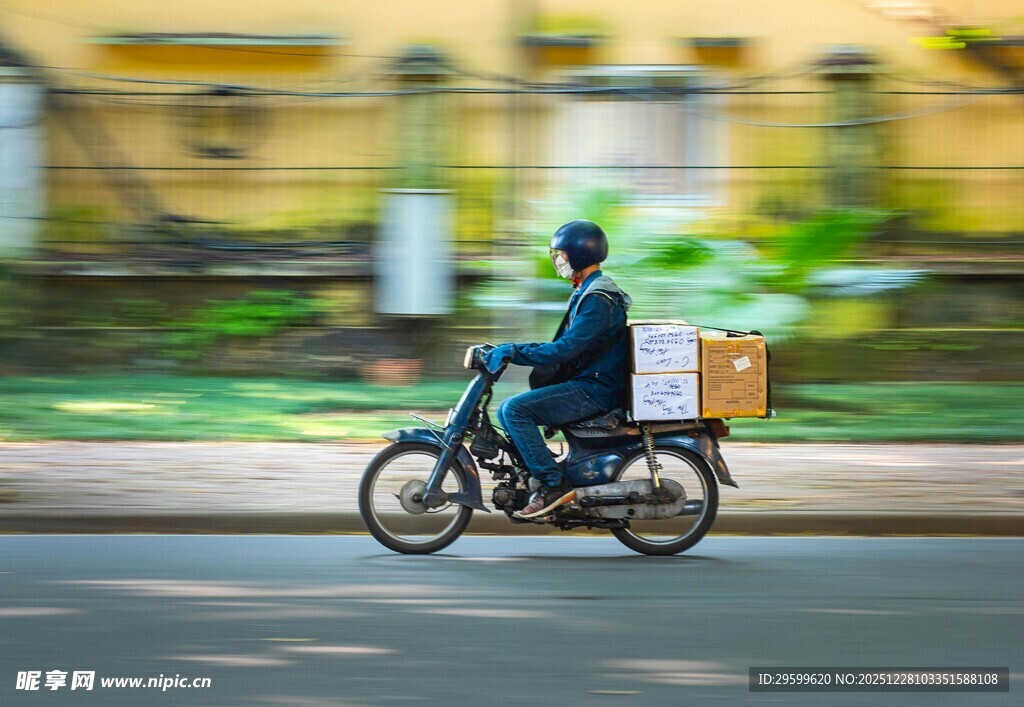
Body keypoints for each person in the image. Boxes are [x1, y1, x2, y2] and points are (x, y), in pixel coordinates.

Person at [482, 219, 632, 519]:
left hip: (596, 389)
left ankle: (553, 484)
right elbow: (566, 345)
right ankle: (541, 469)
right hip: (591, 381)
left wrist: (514, 351)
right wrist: (516, 349)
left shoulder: (598, 300)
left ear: (580, 254)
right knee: (507, 410)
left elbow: (564, 349)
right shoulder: (588, 290)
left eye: (561, 255)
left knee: (514, 410)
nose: (558, 261)